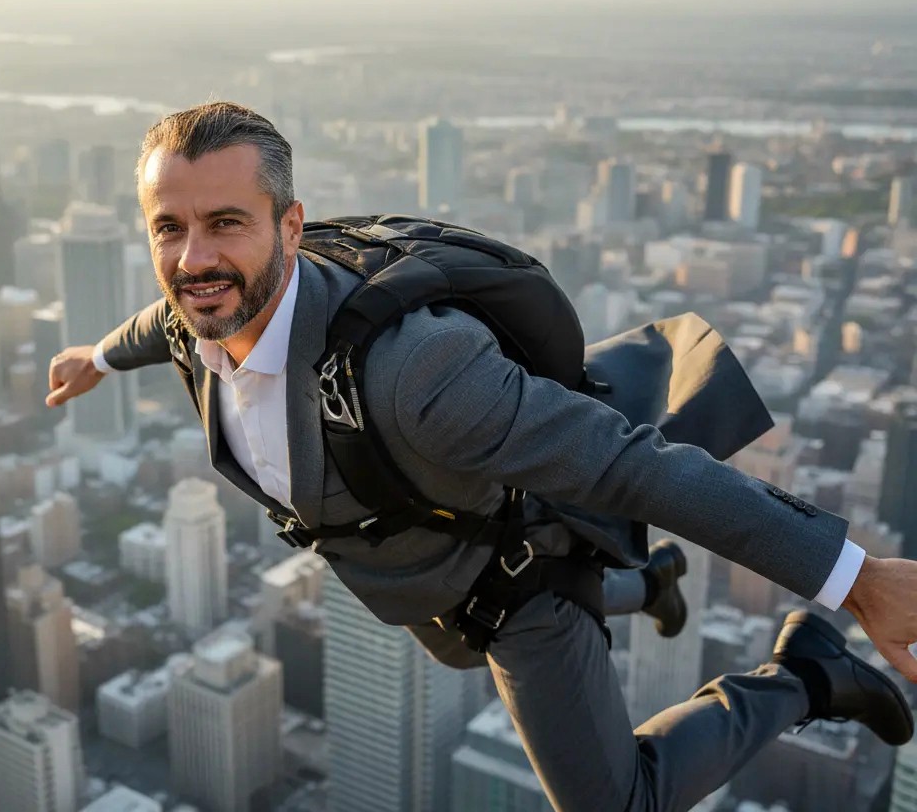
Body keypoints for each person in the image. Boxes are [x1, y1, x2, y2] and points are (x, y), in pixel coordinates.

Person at [48, 102, 916, 812]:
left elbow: (634, 467)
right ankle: (647, 584)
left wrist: (854, 576)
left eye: (225, 223)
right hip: (434, 583)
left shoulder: (413, 372)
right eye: (169, 228)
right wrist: (95, 355)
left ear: (290, 224)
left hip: (519, 581)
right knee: (485, 638)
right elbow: (153, 322)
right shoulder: (195, 313)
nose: (193, 258)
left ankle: (806, 673)